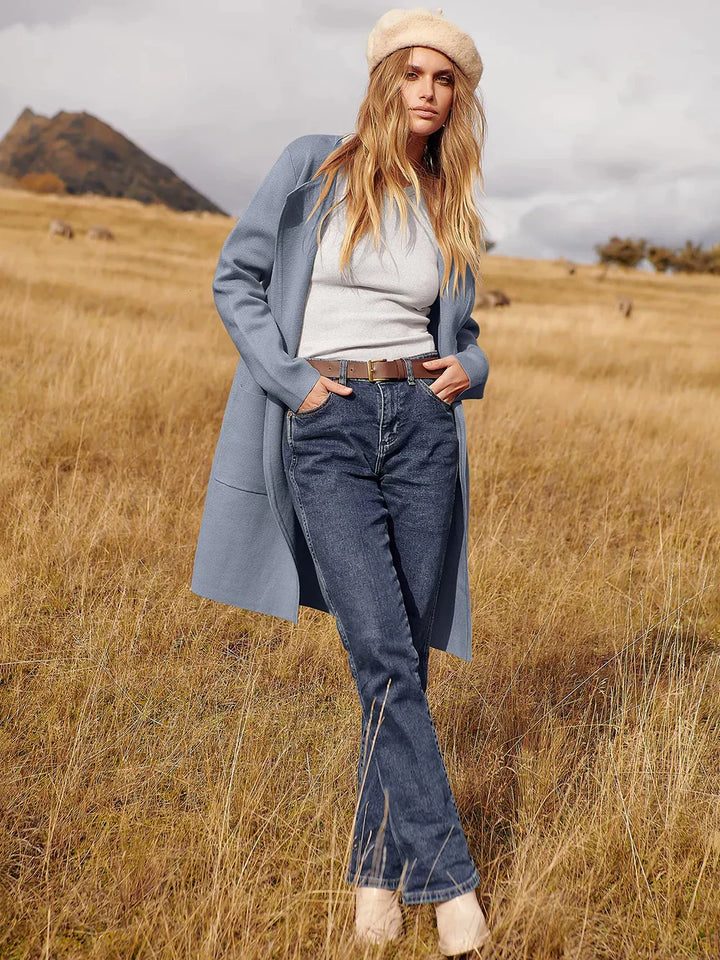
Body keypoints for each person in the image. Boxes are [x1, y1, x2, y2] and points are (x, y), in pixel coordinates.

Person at [191, 7, 492, 956]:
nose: (429, 93)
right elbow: (235, 280)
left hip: (424, 433)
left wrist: (472, 371)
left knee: (395, 659)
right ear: (384, 81)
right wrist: (295, 386)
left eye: (445, 81)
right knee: (383, 650)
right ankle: (451, 888)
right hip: (329, 425)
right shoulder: (314, 164)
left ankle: (373, 874)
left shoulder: (449, 195)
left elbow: (462, 331)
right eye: (414, 75)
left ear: (458, 100)